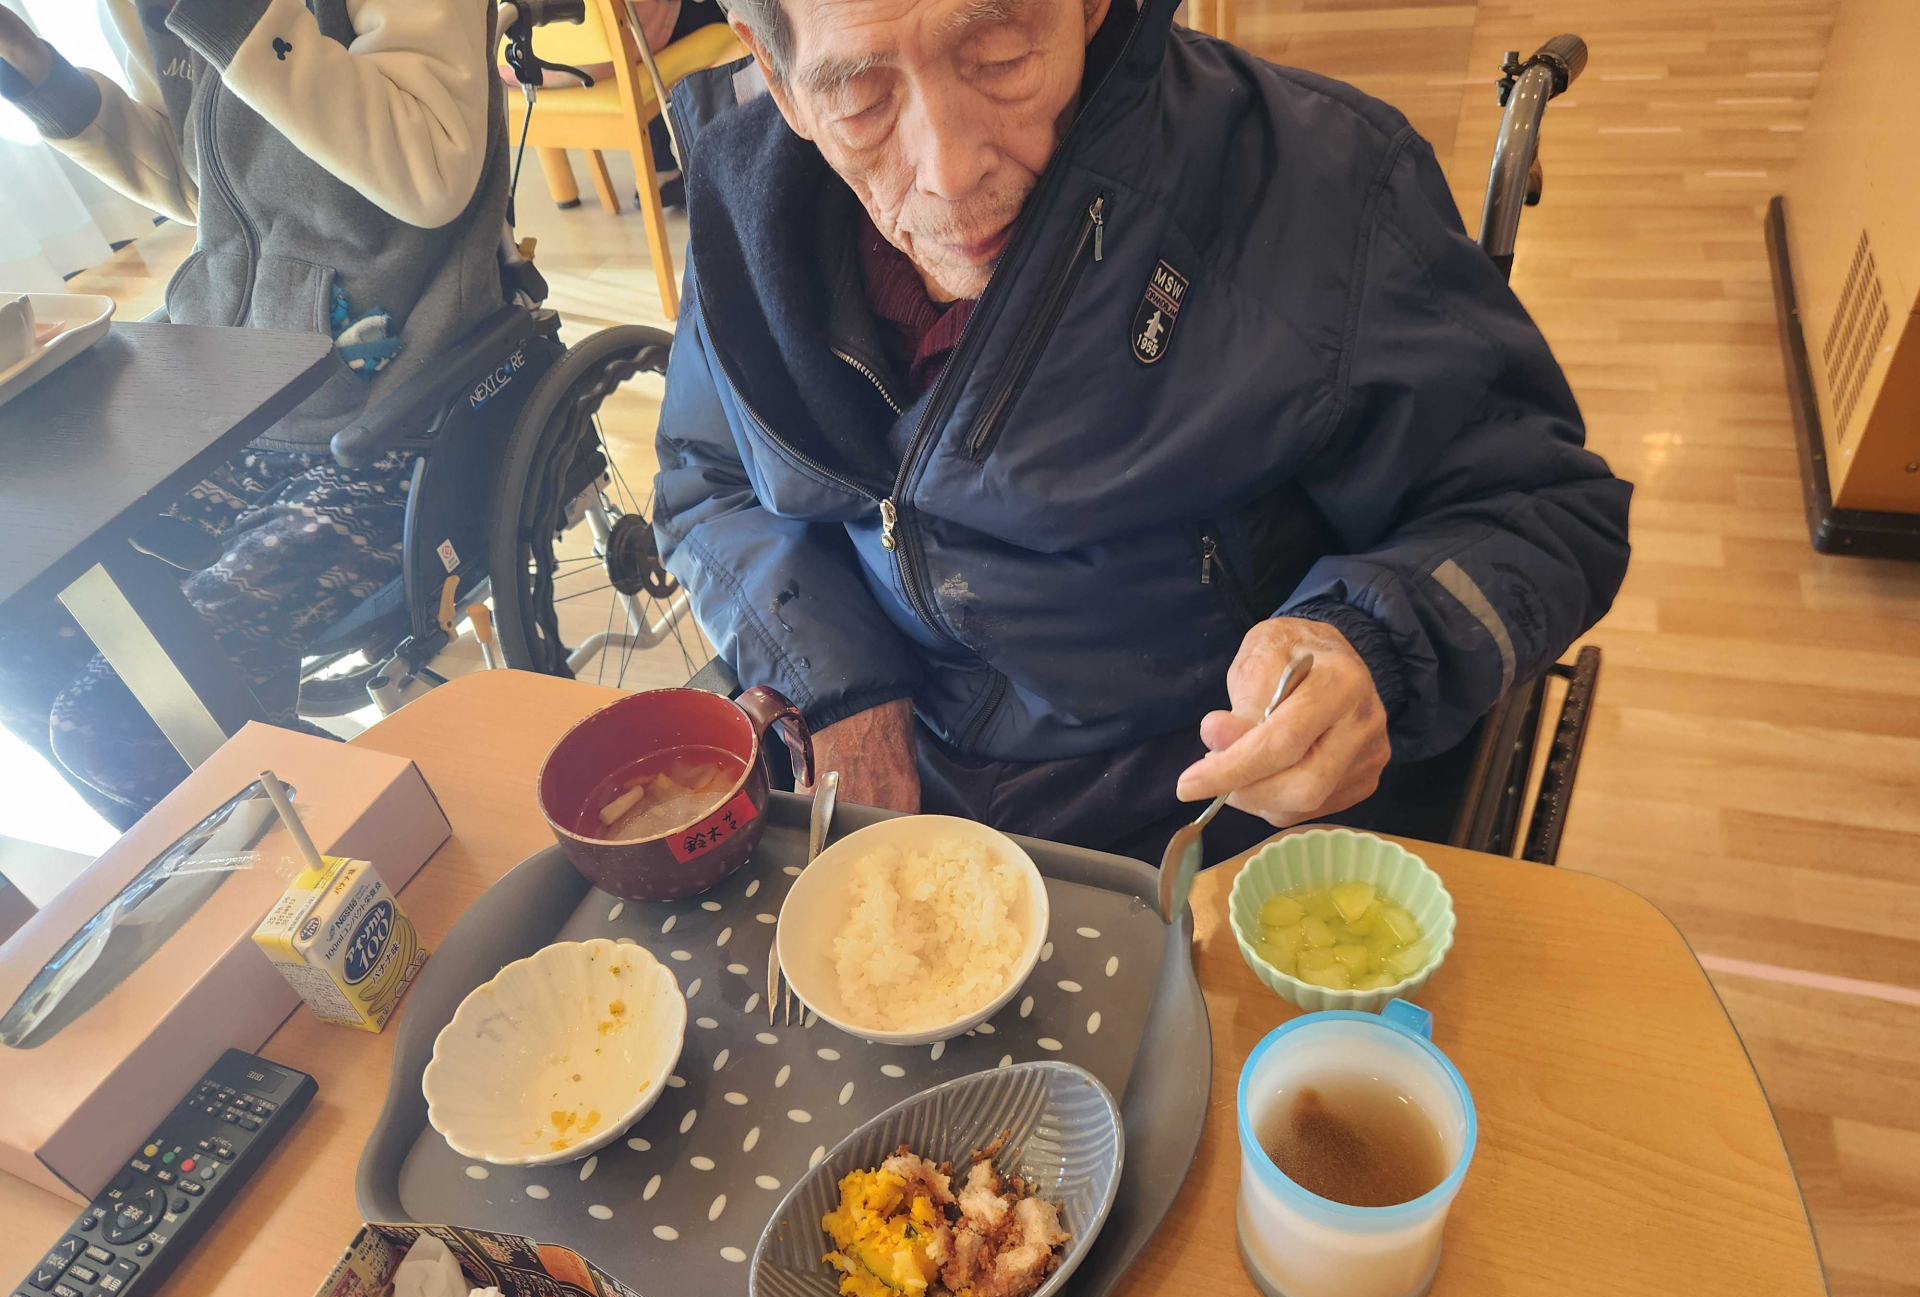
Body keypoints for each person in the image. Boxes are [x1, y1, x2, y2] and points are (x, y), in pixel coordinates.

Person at [650, 0, 1631, 862]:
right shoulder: (751, 214)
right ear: (776, 74)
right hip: (889, 775)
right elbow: (707, 478)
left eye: (999, 56)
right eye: (862, 98)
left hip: (1198, 804)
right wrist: (837, 686)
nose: (947, 171)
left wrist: (1370, 644)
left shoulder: (1325, 188)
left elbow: (1539, 505)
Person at [0, 0, 509, 824]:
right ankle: (280, 844)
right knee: (18, 632)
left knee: (116, 722)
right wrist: (41, 77)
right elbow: (201, 178)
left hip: (401, 416)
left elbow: (432, 171)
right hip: (243, 392)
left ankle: (379, 844)